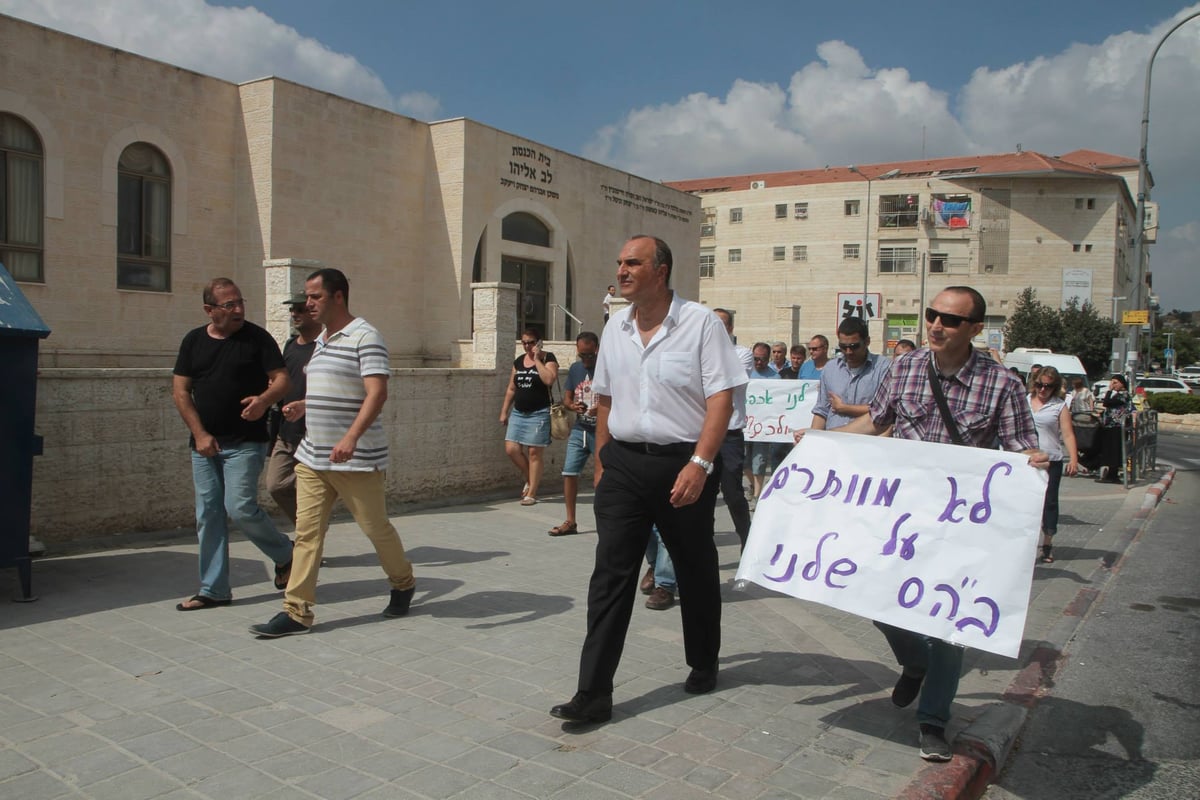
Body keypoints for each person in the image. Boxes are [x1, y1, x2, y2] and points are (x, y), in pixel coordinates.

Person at [826, 287, 1045, 762]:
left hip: (962, 524)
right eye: (932, 314)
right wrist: (822, 444)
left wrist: (1035, 460)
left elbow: (1020, 448)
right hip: (902, 515)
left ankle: (933, 720)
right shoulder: (903, 368)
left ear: (974, 329)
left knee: (950, 624)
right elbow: (876, 423)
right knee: (872, 594)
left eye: (949, 319)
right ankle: (915, 661)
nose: (936, 325)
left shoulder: (1001, 383)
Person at [549, 235, 746, 724]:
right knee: (610, 575)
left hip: (683, 462)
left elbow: (722, 399)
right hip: (624, 467)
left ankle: (703, 659)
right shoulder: (615, 327)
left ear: (661, 270)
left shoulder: (700, 324)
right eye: (619, 263)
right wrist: (602, 460)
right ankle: (592, 692)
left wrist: (700, 465)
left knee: (695, 568)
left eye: (632, 263)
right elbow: (607, 398)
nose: (622, 270)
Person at [250, 268, 417, 637]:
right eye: (306, 297)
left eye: (314, 297)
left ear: (337, 297)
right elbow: (336, 389)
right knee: (307, 534)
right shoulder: (321, 340)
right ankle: (296, 612)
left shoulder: (365, 336)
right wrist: (305, 405)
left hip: (356, 459)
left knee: (375, 528)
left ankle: (403, 582)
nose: (307, 304)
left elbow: (376, 393)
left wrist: (351, 438)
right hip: (312, 457)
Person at [172, 278, 295, 611]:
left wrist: (264, 400)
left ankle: (286, 553)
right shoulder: (193, 341)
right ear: (209, 310)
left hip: (245, 441)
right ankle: (213, 589)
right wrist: (199, 434)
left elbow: (282, 379)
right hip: (205, 444)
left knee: (239, 506)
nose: (238, 309)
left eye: (240, 302)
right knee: (208, 514)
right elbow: (181, 391)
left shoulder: (257, 338)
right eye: (229, 305)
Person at [265, 293, 322, 523]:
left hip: (314, 433)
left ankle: (310, 538)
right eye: (292, 310)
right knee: (276, 484)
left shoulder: (325, 346)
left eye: (300, 309)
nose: (294, 314)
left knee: (313, 492)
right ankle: (311, 526)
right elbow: (280, 379)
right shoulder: (290, 346)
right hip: (287, 432)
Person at [499, 327, 559, 505]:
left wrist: (537, 359)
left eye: (530, 342)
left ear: (539, 342)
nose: (526, 346)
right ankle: (530, 479)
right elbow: (511, 388)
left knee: (534, 452)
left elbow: (549, 379)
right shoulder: (518, 362)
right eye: (523, 342)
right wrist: (504, 411)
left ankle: (531, 493)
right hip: (519, 412)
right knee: (511, 449)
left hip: (539, 412)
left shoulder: (548, 358)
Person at [549, 332, 599, 537]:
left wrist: (602, 409)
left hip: (602, 430)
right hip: (581, 428)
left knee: (602, 479)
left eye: (589, 355)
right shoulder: (575, 369)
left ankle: (606, 521)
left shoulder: (608, 368)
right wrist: (573, 406)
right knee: (569, 472)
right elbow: (567, 399)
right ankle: (570, 521)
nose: (586, 360)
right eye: (582, 355)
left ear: (597, 349)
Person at [712, 308, 754, 551]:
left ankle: (747, 540)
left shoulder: (742, 354)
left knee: (732, 493)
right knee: (703, 497)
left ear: (729, 329)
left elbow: (730, 381)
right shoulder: (698, 352)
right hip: (702, 433)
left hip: (729, 434)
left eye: (719, 325)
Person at [1029, 366, 1078, 563]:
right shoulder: (1024, 402)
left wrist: (1073, 459)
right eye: (1040, 385)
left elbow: (1067, 434)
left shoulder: (1059, 406)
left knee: (1049, 502)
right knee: (1027, 503)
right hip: (1027, 460)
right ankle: (1027, 543)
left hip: (1051, 460)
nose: (1043, 390)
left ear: (1054, 387)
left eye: (1048, 387)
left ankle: (1047, 543)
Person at [810, 317, 887, 432]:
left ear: (867, 342)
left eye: (854, 346)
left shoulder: (883, 367)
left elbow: (885, 411)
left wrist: (844, 408)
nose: (848, 352)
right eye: (843, 347)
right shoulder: (830, 368)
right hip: (833, 443)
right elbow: (821, 411)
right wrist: (813, 439)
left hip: (868, 443)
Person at [744, 342, 779, 505]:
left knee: (759, 461)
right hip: (745, 426)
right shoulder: (744, 373)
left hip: (763, 428)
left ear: (768, 358)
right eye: (756, 359)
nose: (759, 362)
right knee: (744, 462)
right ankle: (752, 485)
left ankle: (757, 495)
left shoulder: (775, 378)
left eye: (763, 359)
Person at [1094, 374, 1133, 484]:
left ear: (1122, 384)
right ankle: (1111, 474)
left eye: (1115, 383)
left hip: (1116, 427)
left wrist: (1109, 391)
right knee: (1110, 450)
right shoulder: (1119, 395)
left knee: (1114, 451)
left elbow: (1107, 403)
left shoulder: (1124, 395)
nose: (1112, 385)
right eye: (1111, 383)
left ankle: (1113, 475)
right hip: (1111, 426)